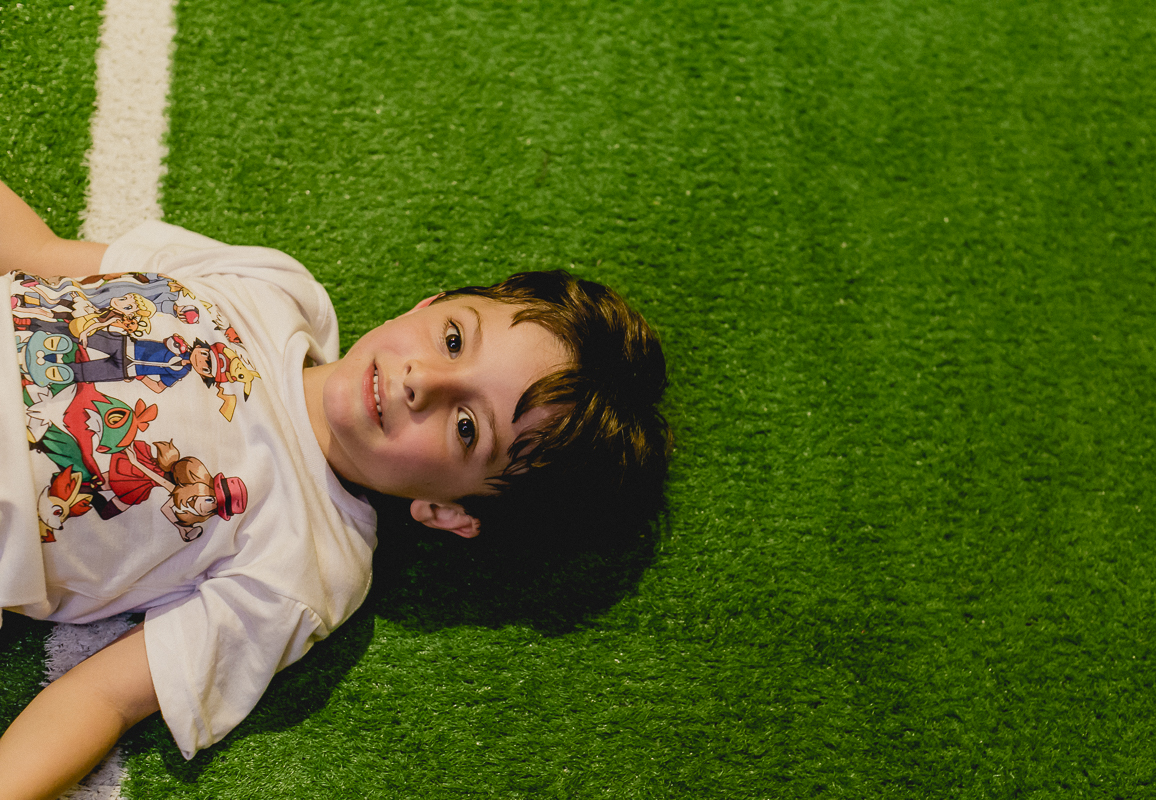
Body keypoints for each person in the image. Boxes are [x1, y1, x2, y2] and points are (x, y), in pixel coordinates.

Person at [0, 180, 669, 799]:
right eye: (455, 337)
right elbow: (42, 253)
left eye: (467, 427)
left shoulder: (313, 564)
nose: (424, 380)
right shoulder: (278, 290)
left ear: (447, 511)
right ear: (428, 304)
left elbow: (103, 698)